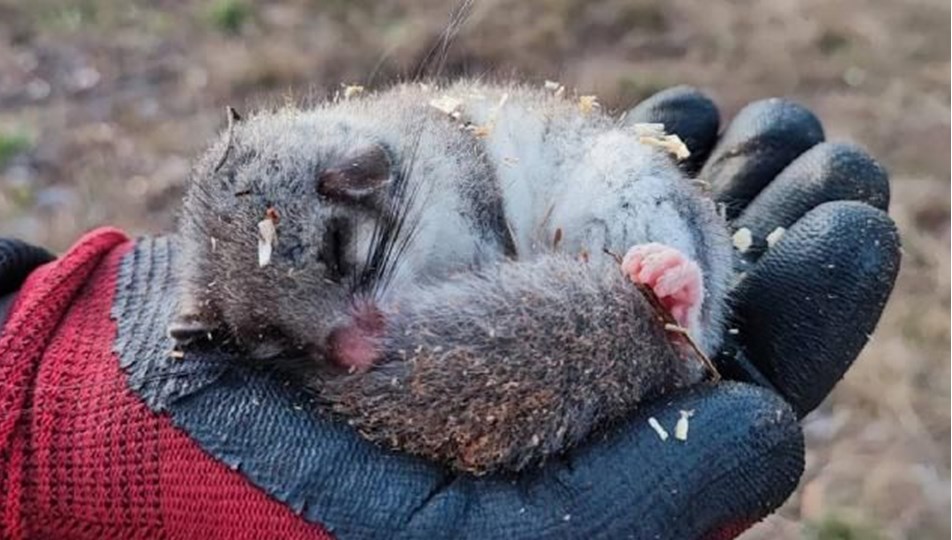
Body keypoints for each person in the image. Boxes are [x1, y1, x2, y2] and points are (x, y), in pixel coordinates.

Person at [0, 87, 900, 540]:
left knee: (632, 191)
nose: (352, 350)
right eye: (298, 333)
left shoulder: (408, 167)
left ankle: (668, 311)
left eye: (351, 272)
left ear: (361, 177)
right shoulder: (272, 276)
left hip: (573, 222)